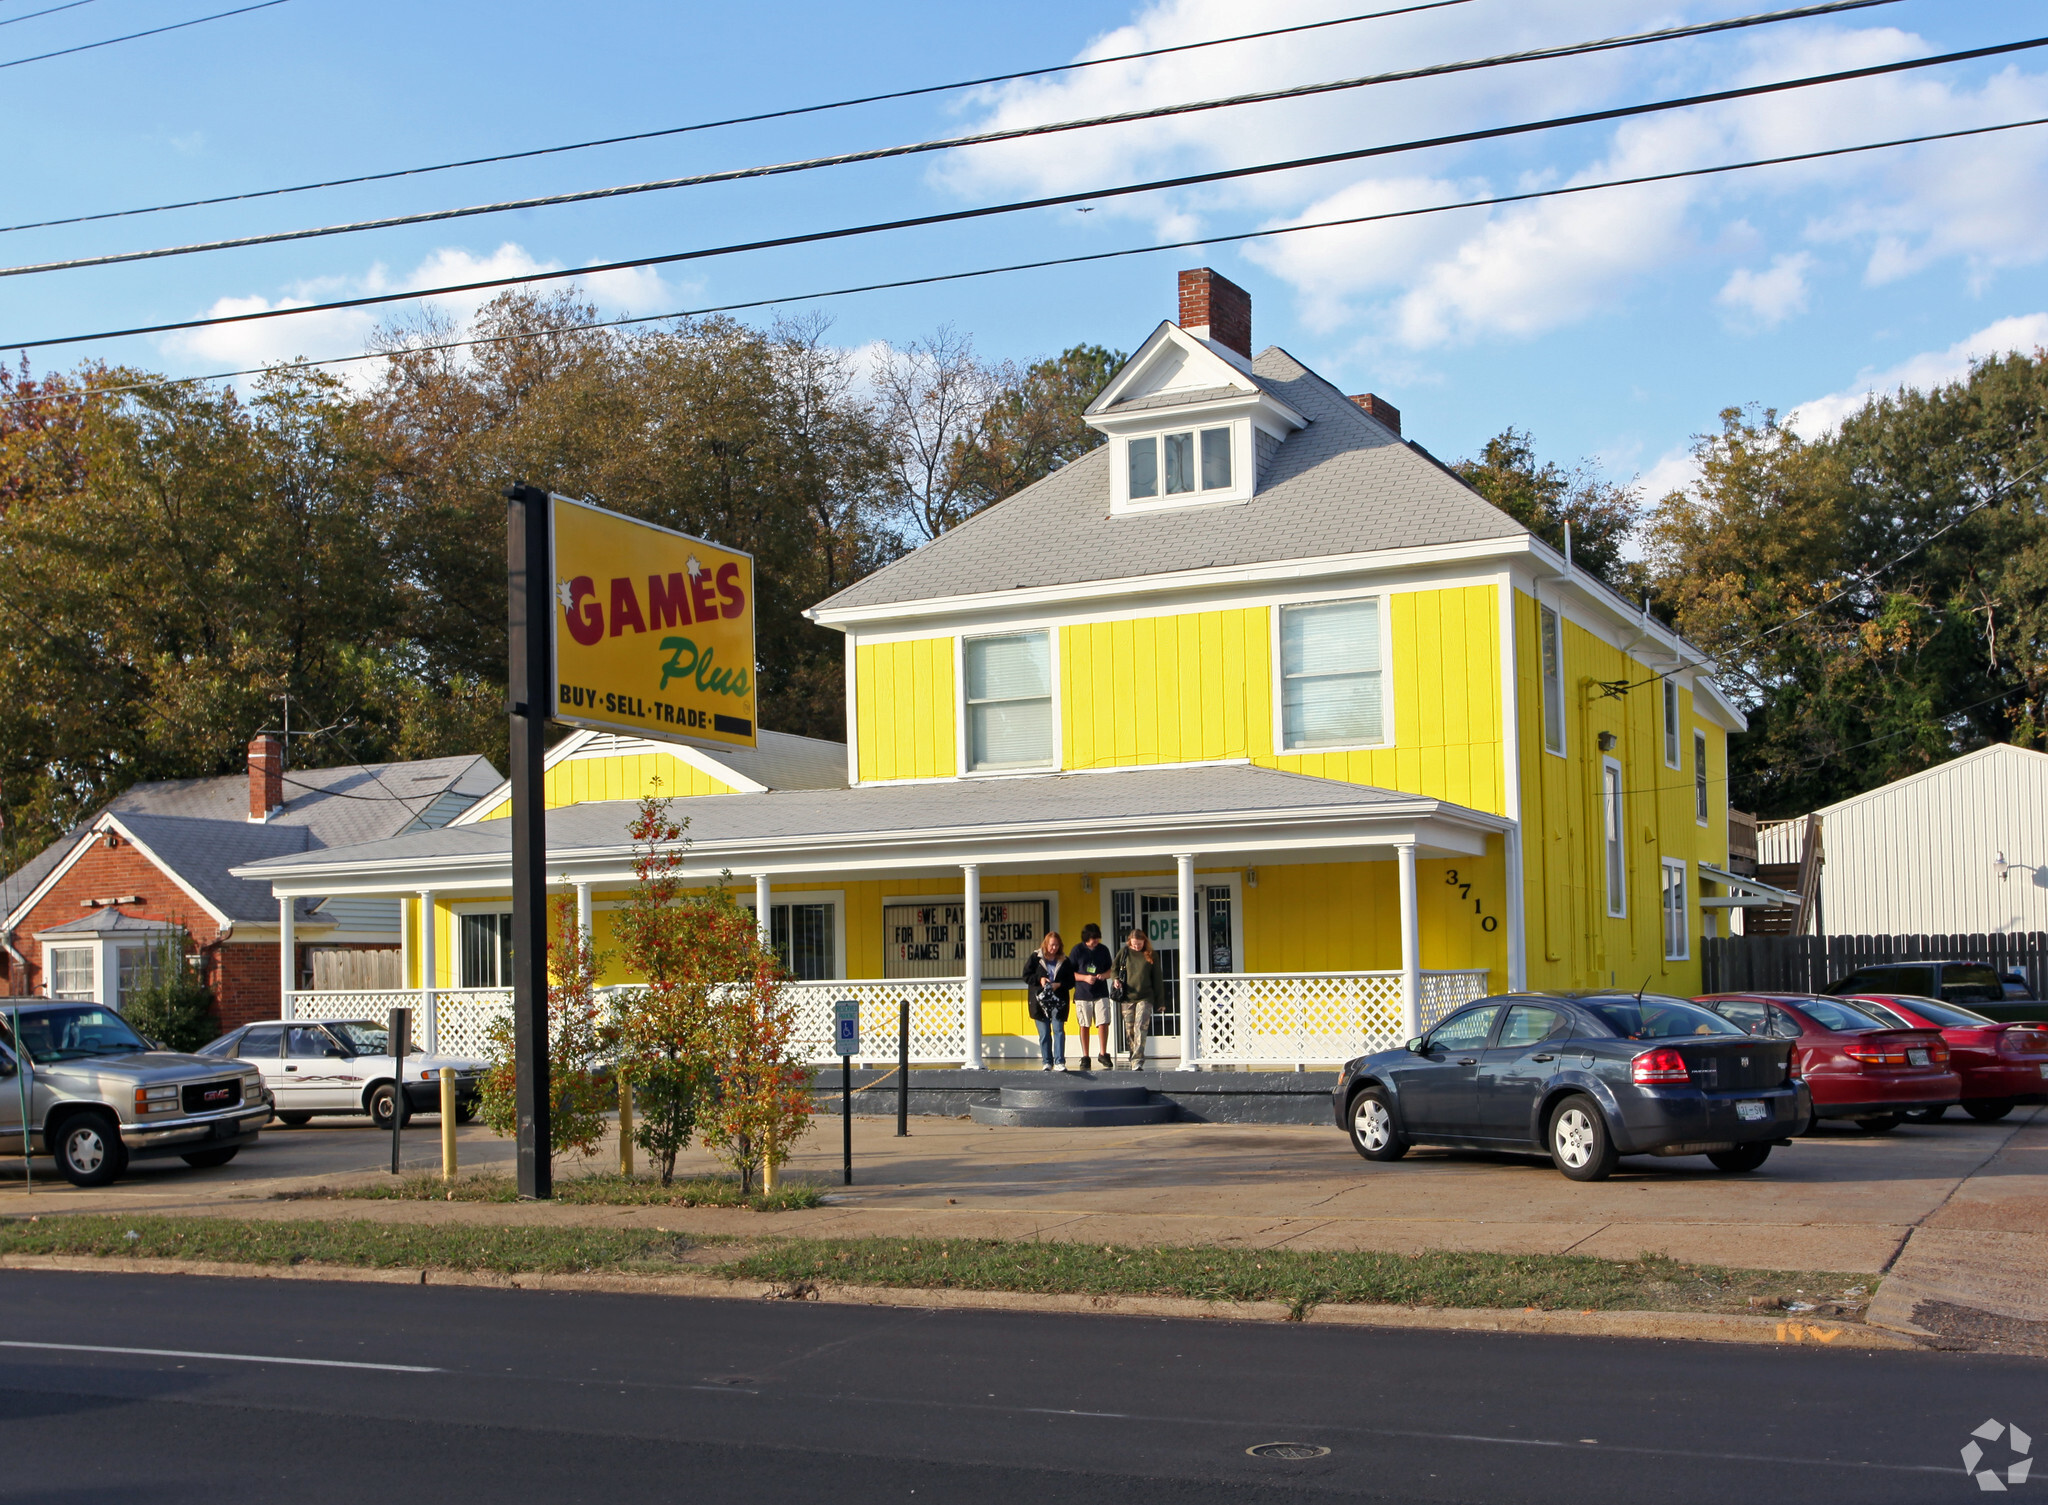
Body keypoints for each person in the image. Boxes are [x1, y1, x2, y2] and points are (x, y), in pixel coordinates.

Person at [1022, 931, 1074, 1072]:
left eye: (1057, 945)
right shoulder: (1036, 957)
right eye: (1052, 945)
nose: (1054, 948)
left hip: (1058, 1000)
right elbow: (1026, 975)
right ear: (1046, 944)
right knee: (1044, 1033)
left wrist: (1059, 984)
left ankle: (1059, 1061)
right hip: (1040, 1001)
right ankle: (1047, 1061)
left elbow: (1071, 981)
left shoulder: (1064, 960)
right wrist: (1040, 980)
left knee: (1059, 1030)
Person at [1069, 922, 1114, 1071]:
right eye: (1093, 939)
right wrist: (1085, 978)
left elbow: (1111, 970)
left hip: (1101, 992)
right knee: (1084, 1024)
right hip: (1083, 993)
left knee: (1103, 1022)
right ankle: (1085, 1056)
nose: (1095, 941)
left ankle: (1103, 1053)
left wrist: (1103, 976)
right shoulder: (1077, 950)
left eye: (1097, 938)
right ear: (1086, 938)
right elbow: (1070, 973)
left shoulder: (1103, 950)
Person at [1112, 927, 1158, 1071]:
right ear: (1129, 942)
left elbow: (1157, 978)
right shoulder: (1124, 952)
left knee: (1140, 1026)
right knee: (1130, 1029)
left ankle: (1138, 1059)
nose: (1136, 947)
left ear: (1144, 941)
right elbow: (1114, 968)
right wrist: (1115, 979)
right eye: (1133, 944)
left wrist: (1161, 1001)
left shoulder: (1150, 954)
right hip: (1127, 997)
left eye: (1139, 944)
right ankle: (1133, 1055)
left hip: (1145, 996)